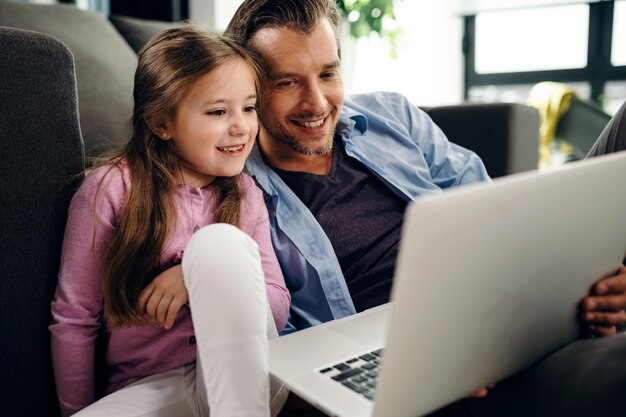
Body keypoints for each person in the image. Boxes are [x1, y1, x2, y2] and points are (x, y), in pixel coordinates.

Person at [222, 0, 626, 415]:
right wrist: (438, 364)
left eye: (328, 74)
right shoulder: (235, 189)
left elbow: (491, 211)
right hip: (403, 367)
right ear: (249, 89)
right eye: (287, 82)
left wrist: (580, 280)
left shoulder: (391, 115)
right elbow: (274, 342)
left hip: (489, 315)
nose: (317, 102)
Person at [49, 25, 290, 417]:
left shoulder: (245, 193)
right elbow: (74, 319)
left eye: (249, 108)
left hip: (251, 371)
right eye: (217, 111)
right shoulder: (110, 189)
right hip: (151, 386)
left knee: (219, 245)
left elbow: (277, 305)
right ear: (162, 122)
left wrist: (199, 276)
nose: (242, 126)